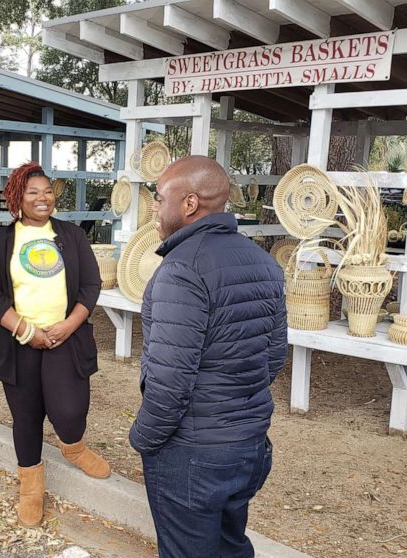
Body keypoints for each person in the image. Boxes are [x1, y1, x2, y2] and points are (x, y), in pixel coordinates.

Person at [129, 156, 286, 557]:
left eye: (160, 196)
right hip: (248, 445)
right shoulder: (264, 262)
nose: (153, 206)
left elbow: (169, 384)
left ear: (190, 204)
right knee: (230, 546)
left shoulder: (181, 271)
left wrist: (142, 439)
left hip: (193, 456)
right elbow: (273, 357)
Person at [0, 161, 111, 528]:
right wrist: (24, 330)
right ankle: (31, 486)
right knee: (27, 416)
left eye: (48, 191)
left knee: (69, 410)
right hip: (19, 344)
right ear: (17, 198)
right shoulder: (1, 241)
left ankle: (73, 446)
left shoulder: (72, 235)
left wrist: (68, 326)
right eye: (33, 192)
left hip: (65, 339)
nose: (43, 198)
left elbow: (91, 286)